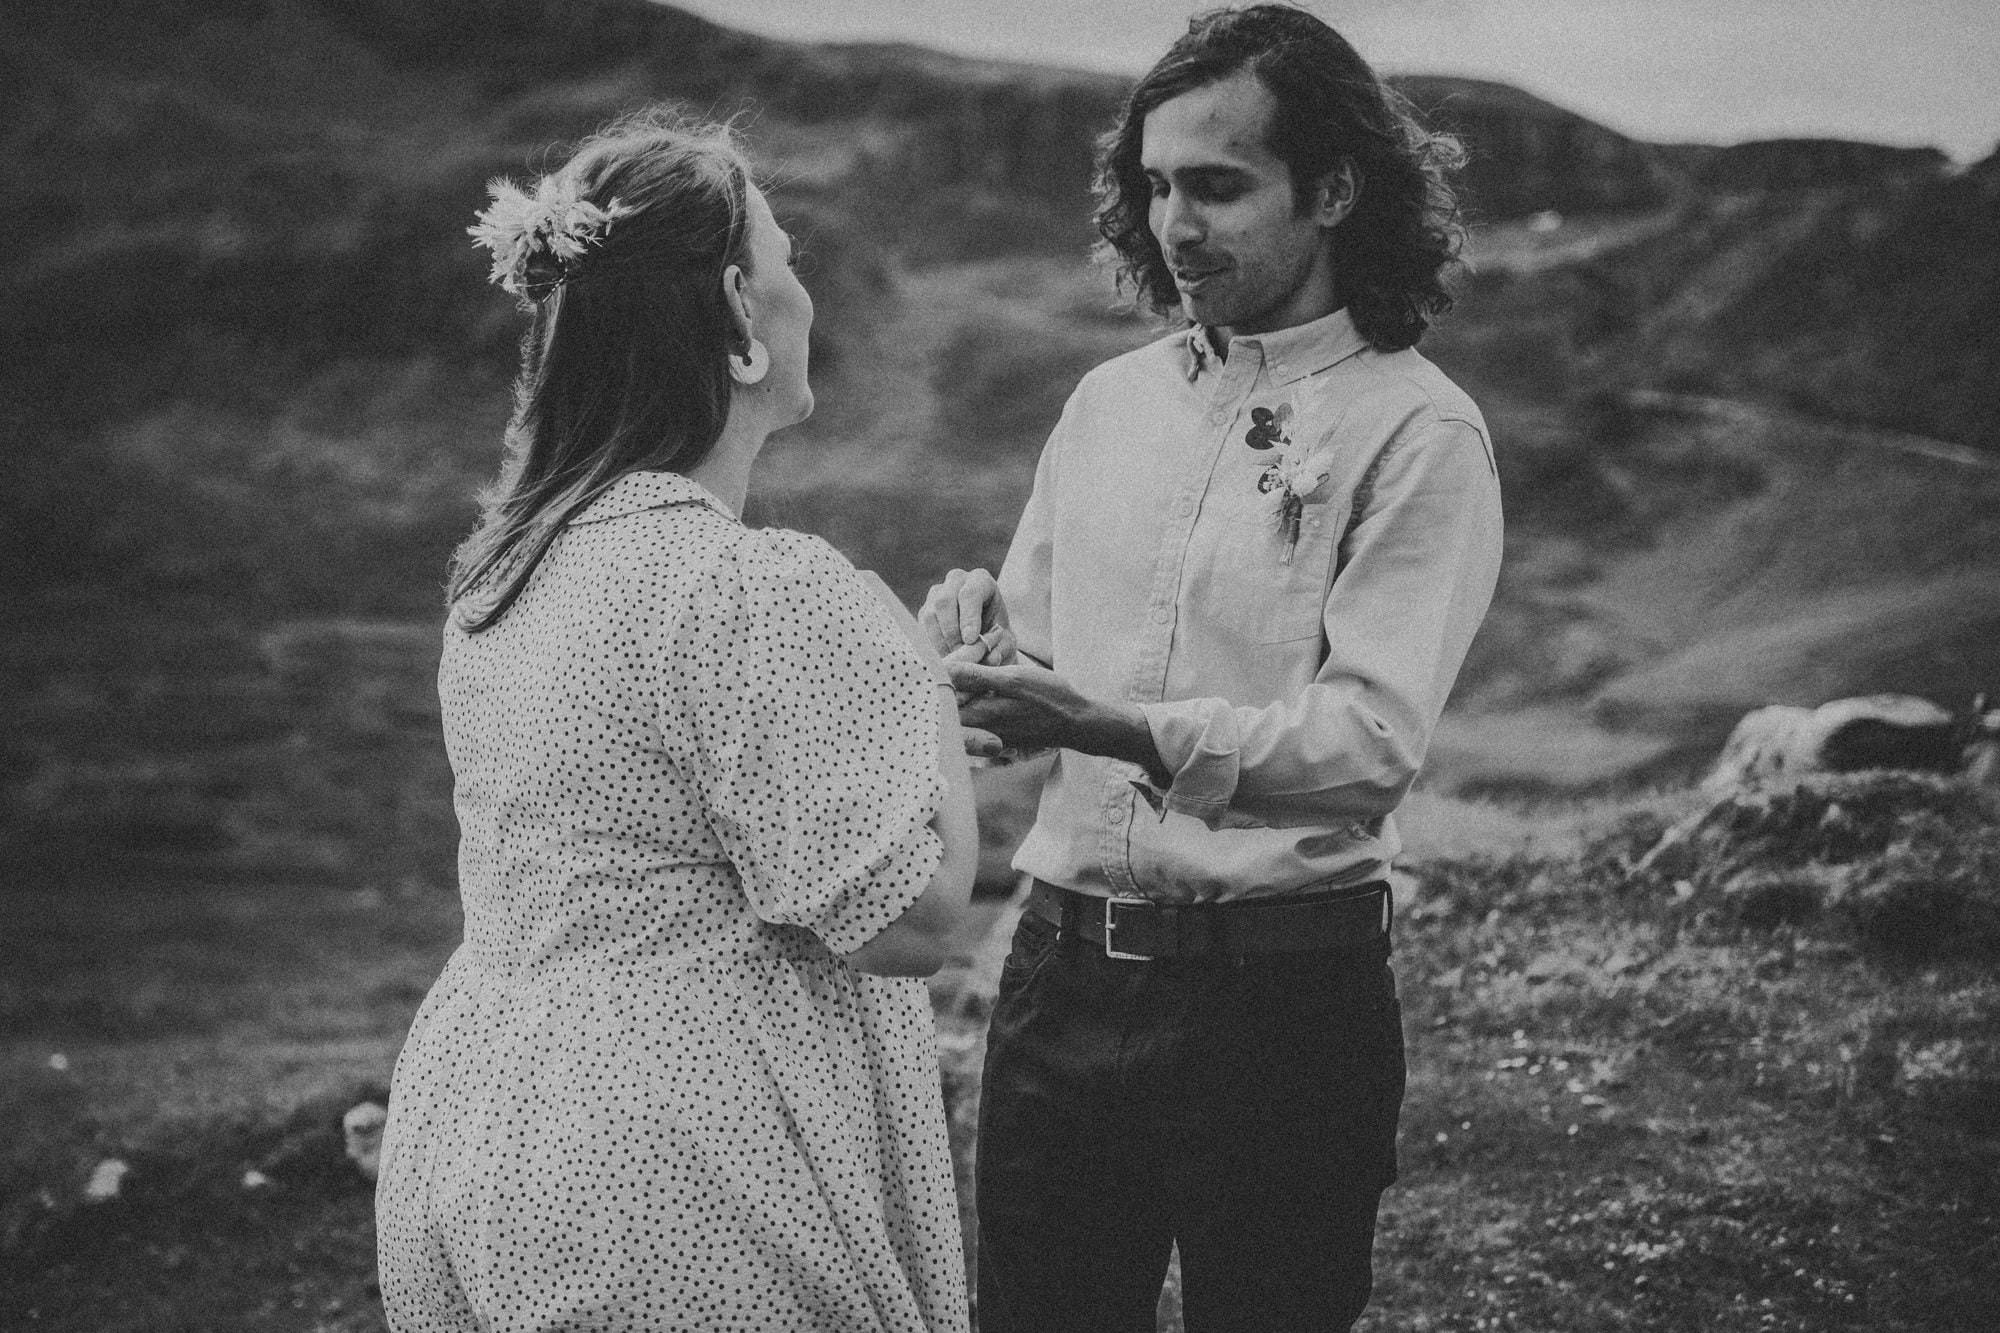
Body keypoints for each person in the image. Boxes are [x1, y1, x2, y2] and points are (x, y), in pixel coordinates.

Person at [921, 8, 1503, 1330]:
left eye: (1219, 186)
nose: (1175, 224)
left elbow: (1368, 748)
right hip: (1059, 981)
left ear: (1337, 189)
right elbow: (1032, 685)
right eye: (1158, 185)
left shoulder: (1421, 435)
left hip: (1286, 1004)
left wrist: (1114, 724)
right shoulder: (1106, 407)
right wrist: (982, 660)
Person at [376, 110, 979, 1332]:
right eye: (785, 259)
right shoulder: (745, 584)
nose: (805, 290)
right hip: (687, 1155)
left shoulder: (504, 573)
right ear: (738, 319)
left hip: (475, 1121)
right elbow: (908, 922)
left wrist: (887, 703)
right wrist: (918, 679)